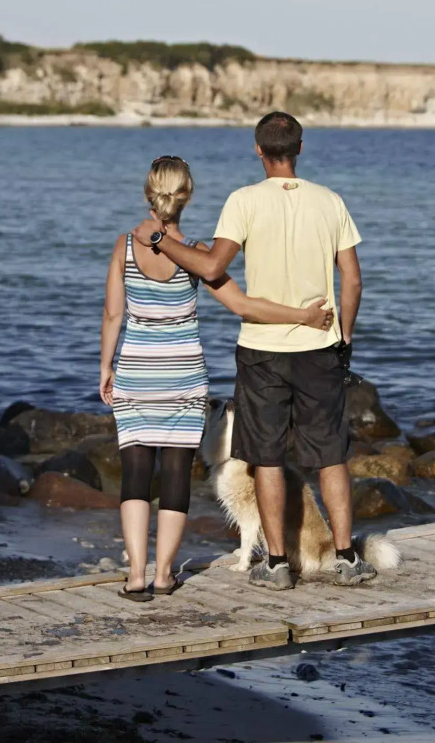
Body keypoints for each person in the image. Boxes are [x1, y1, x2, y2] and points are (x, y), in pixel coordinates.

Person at [134, 113, 370, 590]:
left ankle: (278, 564)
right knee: (331, 456)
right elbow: (353, 277)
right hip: (320, 346)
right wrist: (345, 334)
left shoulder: (243, 201)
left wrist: (161, 239)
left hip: (261, 349)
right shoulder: (330, 201)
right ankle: (346, 558)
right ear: (300, 147)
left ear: (258, 150)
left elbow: (214, 265)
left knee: (264, 457)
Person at [101, 154, 333, 601]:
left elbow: (113, 314)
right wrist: (302, 316)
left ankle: (135, 577)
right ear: (186, 197)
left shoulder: (123, 247)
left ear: (149, 193)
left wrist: (106, 367)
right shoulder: (198, 256)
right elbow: (244, 305)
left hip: (136, 372)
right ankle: (166, 575)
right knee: (174, 478)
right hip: (184, 376)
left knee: (134, 476)